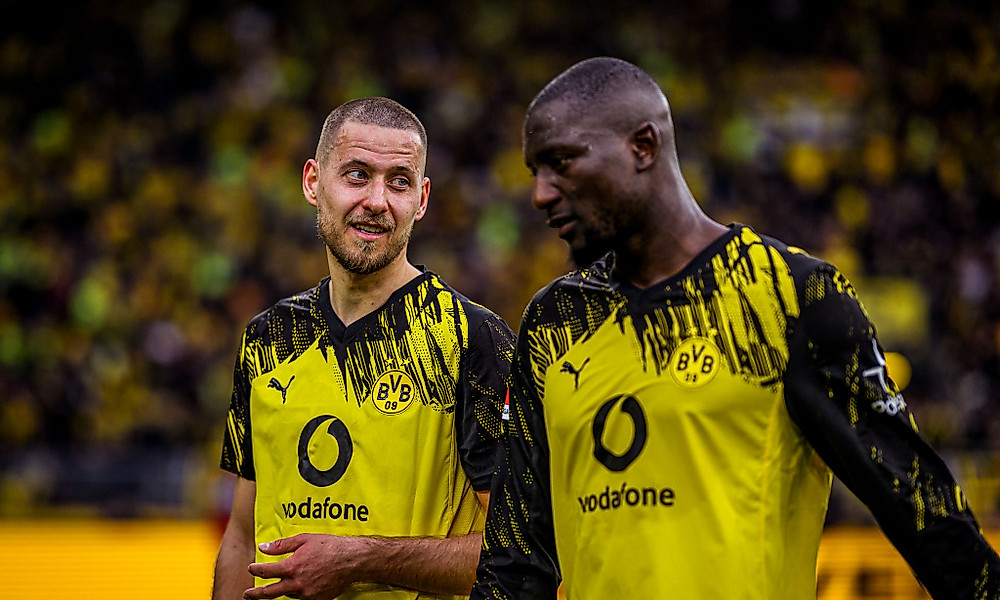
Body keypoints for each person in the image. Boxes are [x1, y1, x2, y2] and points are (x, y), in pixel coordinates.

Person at [471, 57, 1000, 599]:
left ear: (643, 147)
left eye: (561, 162)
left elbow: (925, 514)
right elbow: (515, 563)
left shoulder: (790, 296)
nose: (540, 194)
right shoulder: (555, 323)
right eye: (535, 172)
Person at [212, 97, 515, 600]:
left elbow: (518, 551)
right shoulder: (268, 339)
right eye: (357, 175)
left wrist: (360, 560)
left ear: (421, 199)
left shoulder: (471, 339)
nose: (377, 200)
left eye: (399, 182)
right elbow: (243, 535)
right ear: (313, 182)